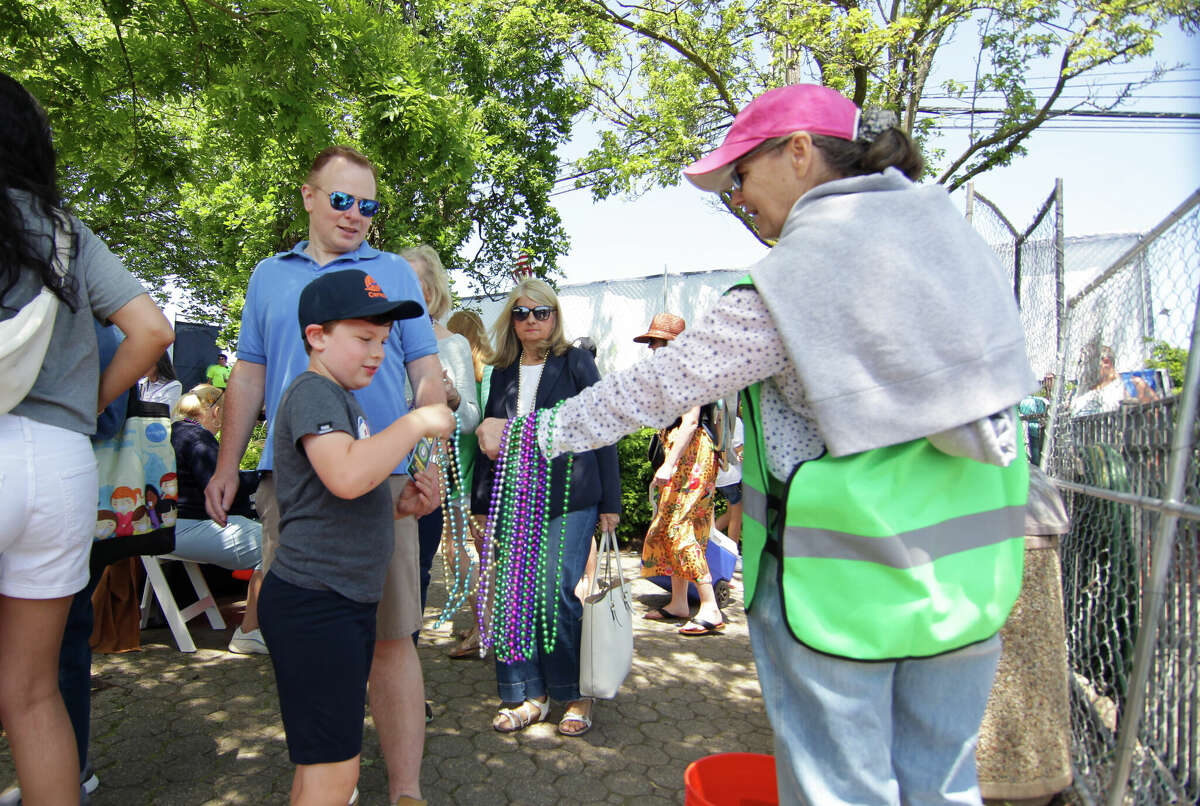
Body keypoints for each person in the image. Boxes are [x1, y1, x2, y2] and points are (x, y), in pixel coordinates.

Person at [478, 84, 1034, 804]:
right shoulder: (955, 247)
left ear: (800, 152)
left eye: (739, 175)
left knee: (842, 789)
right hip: (967, 587)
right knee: (943, 785)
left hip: (842, 595)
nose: (736, 198)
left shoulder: (793, 281)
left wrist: (532, 433)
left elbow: (655, 387)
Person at [204, 145, 446, 806]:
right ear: (308, 196)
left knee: (391, 639)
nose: (356, 215)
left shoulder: (393, 271)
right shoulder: (268, 277)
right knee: (317, 632)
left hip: (386, 478)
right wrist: (228, 463)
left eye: (368, 205)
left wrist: (427, 461)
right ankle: (325, 775)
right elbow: (249, 374)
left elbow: (425, 371)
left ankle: (404, 791)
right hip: (297, 485)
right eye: (342, 199)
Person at [0, 73, 174, 805]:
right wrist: (84, 402)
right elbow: (152, 330)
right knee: (35, 695)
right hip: (62, 462)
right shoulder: (66, 230)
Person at [257, 269, 455, 806]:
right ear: (317, 336)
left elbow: (334, 497)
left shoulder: (342, 398)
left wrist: (398, 505)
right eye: (364, 339)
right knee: (335, 773)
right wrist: (415, 421)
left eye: (385, 343)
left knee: (323, 764)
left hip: (336, 603)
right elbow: (346, 475)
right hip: (316, 605)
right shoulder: (315, 393)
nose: (377, 353)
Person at [471, 277, 621, 737]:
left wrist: (611, 502)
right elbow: (489, 437)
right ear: (510, 320)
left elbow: (604, 427)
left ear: (554, 317)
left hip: (570, 496)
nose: (531, 320)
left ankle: (575, 692)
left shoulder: (576, 362)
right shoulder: (501, 372)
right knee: (513, 597)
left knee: (553, 591)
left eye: (541, 312)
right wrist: (481, 503)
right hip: (513, 497)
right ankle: (526, 694)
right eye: (521, 312)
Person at [399, 245, 481, 629]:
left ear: (432, 291)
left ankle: (405, 656)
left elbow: (470, 419)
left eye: (415, 283)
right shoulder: (379, 338)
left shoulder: (454, 344)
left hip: (428, 474)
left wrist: (452, 399)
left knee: (417, 570)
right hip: (378, 470)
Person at [634, 313, 725, 634]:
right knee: (678, 524)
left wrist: (670, 462)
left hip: (690, 455)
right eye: (652, 343)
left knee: (678, 526)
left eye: (659, 342)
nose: (653, 349)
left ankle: (710, 607)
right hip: (687, 453)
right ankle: (679, 603)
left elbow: (690, 421)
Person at [171, 384, 267, 654]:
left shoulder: (174, 432)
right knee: (276, 543)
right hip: (185, 528)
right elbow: (227, 490)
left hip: (168, 527)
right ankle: (250, 632)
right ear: (215, 412)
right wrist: (265, 476)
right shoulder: (198, 439)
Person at [444, 309, 496, 659]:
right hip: (480, 480)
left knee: (455, 551)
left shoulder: (458, 381)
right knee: (482, 554)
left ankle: (484, 628)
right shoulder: (490, 373)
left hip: (463, 477)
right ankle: (484, 624)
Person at [1069, 344, 1159, 416]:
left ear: (1106, 362)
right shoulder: (1081, 394)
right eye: (1080, 364)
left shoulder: (1132, 385)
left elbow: (1156, 419)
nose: (1083, 369)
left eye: (1087, 363)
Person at [713, 414, 745, 547]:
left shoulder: (715, 418)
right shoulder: (734, 421)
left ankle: (708, 542)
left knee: (730, 513)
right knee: (737, 517)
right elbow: (739, 449)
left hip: (719, 474)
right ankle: (733, 553)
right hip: (732, 475)